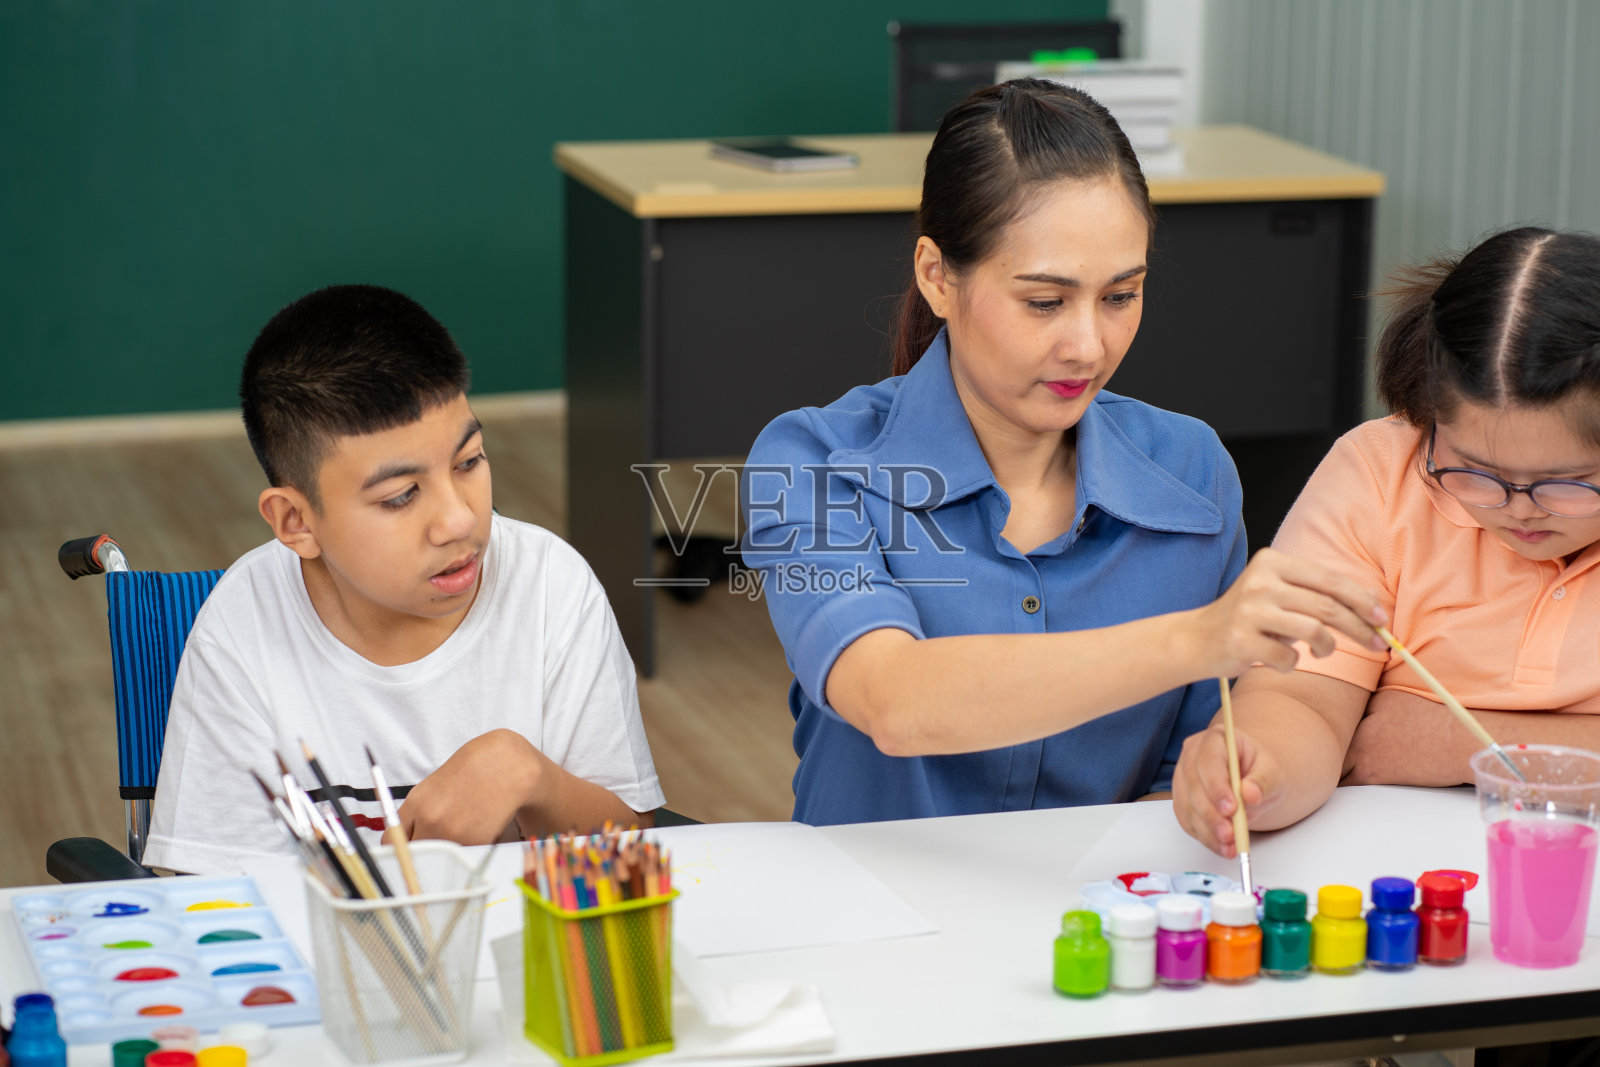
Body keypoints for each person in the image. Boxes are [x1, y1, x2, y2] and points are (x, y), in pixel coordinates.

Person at [739, 78, 1388, 826]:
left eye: (1121, 296)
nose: (1089, 345)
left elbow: (1188, 770)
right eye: (1044, 301)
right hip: (873, 918)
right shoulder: (809, 462)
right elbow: (894, 698)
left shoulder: (1192, 469)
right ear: (936, 276)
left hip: (1099, 922)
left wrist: (1233, 782)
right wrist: (1197, 638)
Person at [144, 285, 663, 874]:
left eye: (469, 462)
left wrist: (528, 773)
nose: (460, 519)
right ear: (296, 522)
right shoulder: (243, 622)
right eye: (400, 496)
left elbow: (629, 852)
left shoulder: (551, 585)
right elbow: (211, 897)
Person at [1173, 227, 1600, 857]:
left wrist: (1456, 741)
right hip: (1393, 868)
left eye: (1564, 483)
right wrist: (1257, 772)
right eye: (1477, 473)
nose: (1519, 511)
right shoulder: (1382, 471)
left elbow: (1413, 743)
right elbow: (1301, 699)